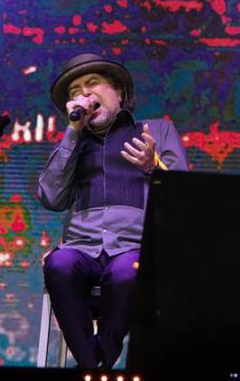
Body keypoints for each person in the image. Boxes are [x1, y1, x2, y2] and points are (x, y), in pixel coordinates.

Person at [38, 53, 188, 368]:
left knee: (128, 271)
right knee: (58, 262)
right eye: (75, 92)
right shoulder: (74, 144)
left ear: (118, 91)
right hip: (82, 247)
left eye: (92, 84)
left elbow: (183, 196)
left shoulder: (156, 131)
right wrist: (71, 133)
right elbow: (50, 197)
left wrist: (154, 167)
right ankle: (96, 366)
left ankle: (95, 361)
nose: (85, 95)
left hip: (134, 247)